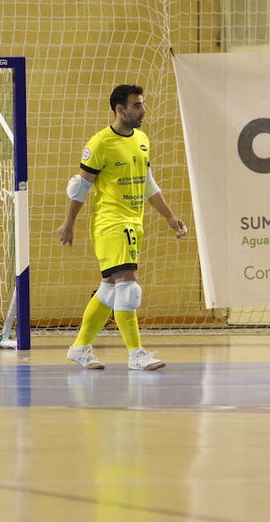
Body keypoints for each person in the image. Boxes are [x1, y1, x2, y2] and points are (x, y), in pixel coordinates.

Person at [56, 84, 187, 371]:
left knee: (108, 290)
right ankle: (136, 354)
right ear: (120, 109)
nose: (143, 111)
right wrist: (69, 223)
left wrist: (169, 216)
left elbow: (147, 182)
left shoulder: (141, 139)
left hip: (133, 221)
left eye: (142, 104)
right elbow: (80, 187)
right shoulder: (101, 143)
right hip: (110, 222)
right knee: (128, 286)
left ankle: (80, 347)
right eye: (137, 105)